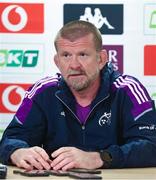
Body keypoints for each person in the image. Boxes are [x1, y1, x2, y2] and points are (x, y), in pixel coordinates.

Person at [0, 20, 156, 171]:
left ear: (101, 59)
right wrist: (16, 152)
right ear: (57, 61)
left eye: (82, 54)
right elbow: (10, 139)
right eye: (66, 55)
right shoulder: (42, 92)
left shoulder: (128, 90)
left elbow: (151, 146)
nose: (74, 65)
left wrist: (99, 158)